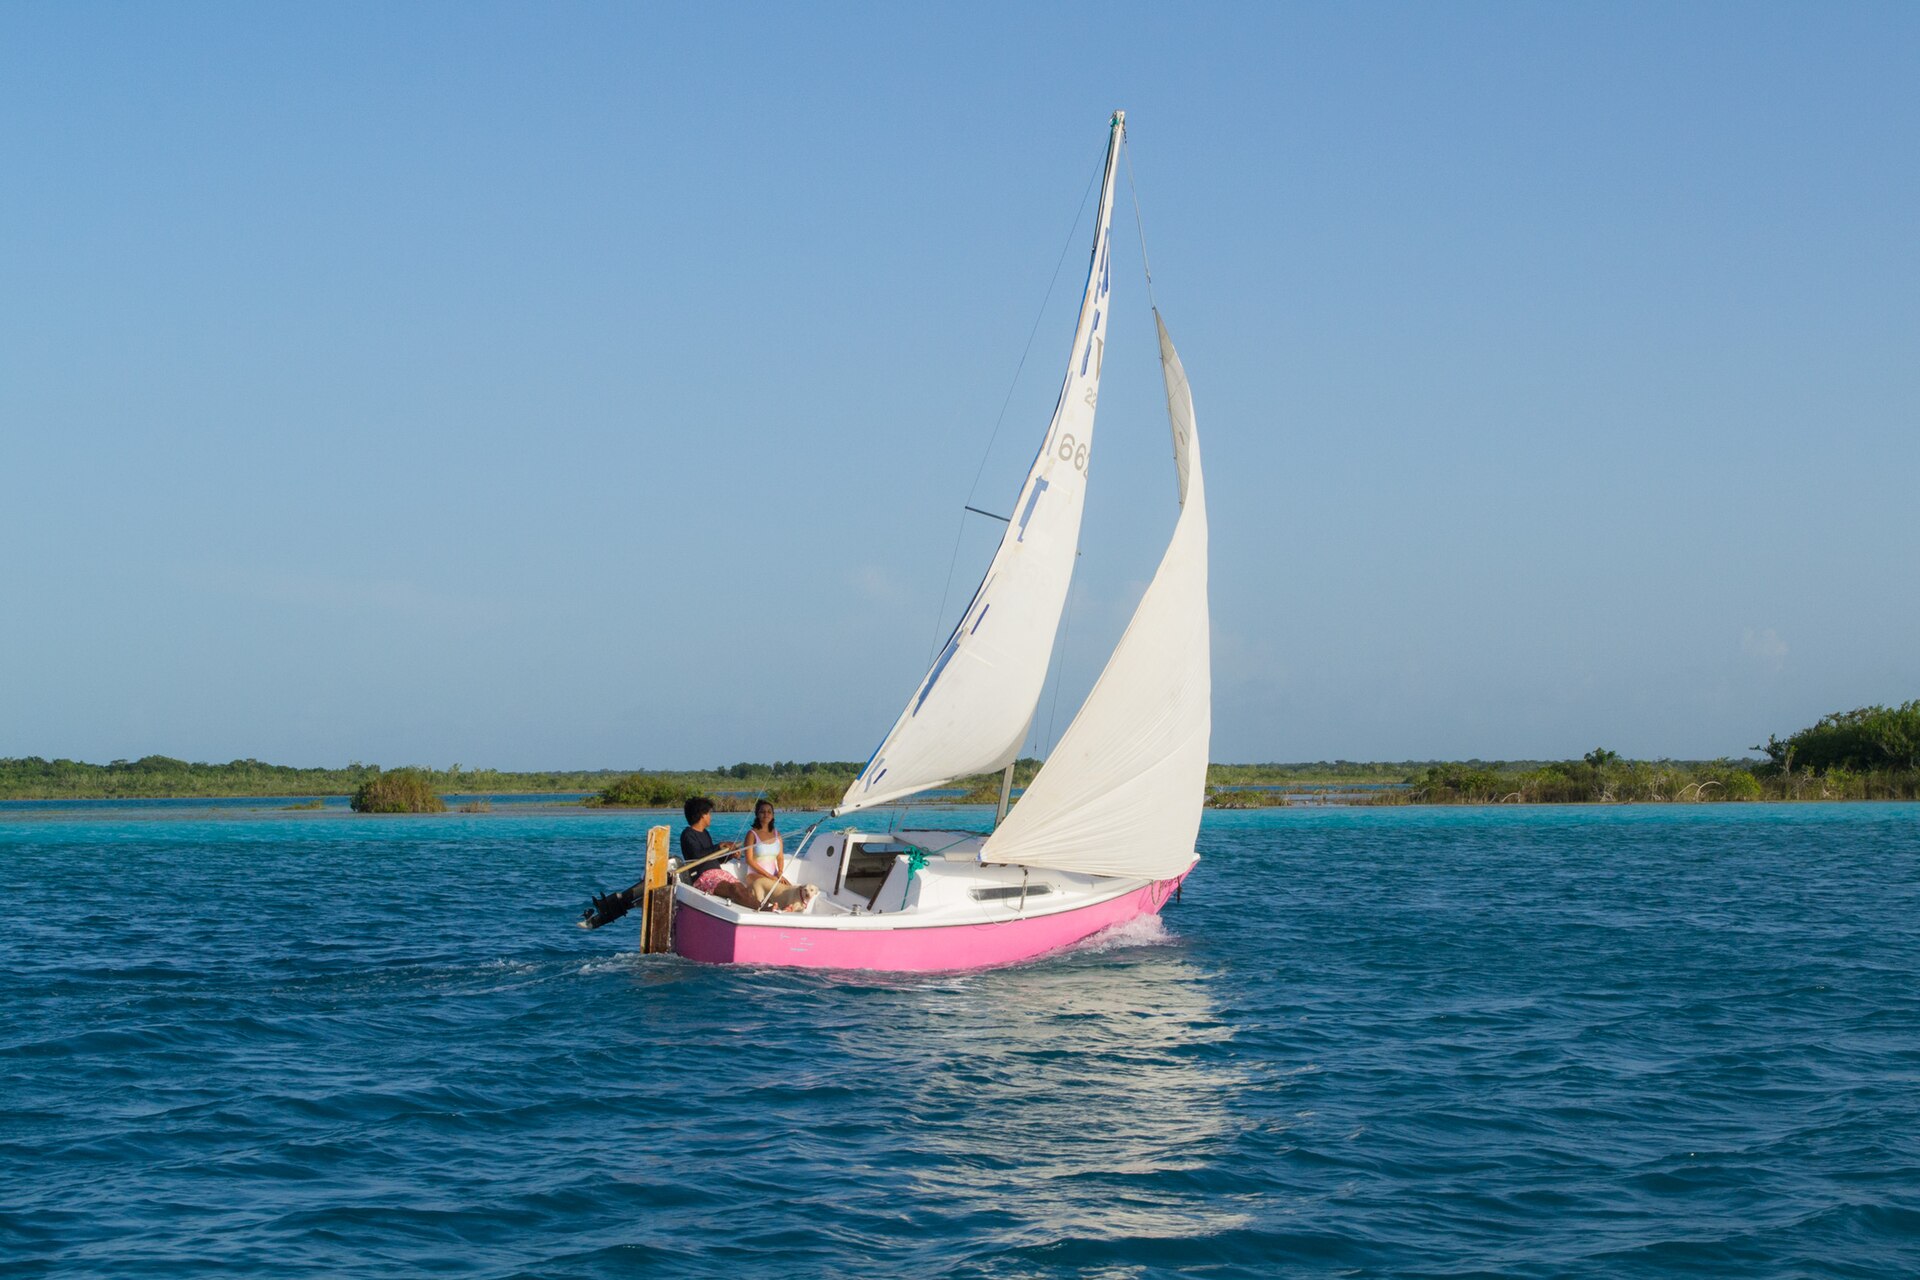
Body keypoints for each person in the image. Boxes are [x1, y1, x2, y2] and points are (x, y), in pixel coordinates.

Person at [740, 800, 817, 912]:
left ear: (773, 815)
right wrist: (768, 876)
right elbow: (749, 860)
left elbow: (780, 857)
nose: (766, 814)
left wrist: (780, 872)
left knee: (793, 890)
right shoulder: (751, 834)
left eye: (769, 812)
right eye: (762, 812)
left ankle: (789, 911)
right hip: (755, 876)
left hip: (774, 876)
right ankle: (775, 908)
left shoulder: (777, 834)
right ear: (757, 814)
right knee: (781, 889)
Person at [680, 796, 754, 908]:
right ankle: (762, 909)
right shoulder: (688, 834)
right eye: (709, 813)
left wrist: (730, 855)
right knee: (734, 889)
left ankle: (765, 909)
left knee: (743, 889)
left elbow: (713, 858)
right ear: (702, 815)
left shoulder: (705, 833)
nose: (710, 817)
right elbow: (697, 855)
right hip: (703, 877)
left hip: (717, 873)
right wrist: (718, 846)